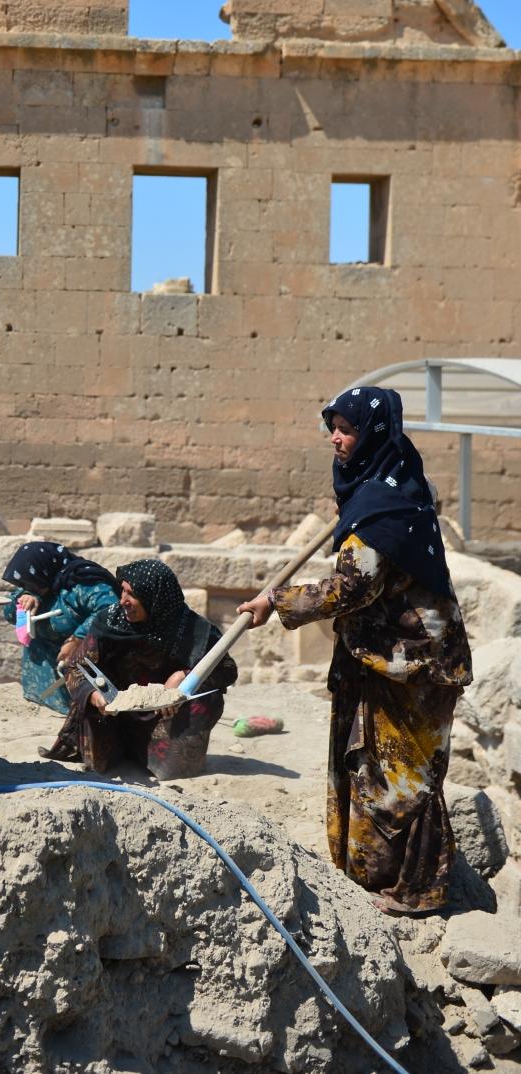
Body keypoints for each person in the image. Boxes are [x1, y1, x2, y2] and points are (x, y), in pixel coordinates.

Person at [237, 386, 472, 917]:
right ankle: (374, 873)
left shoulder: (385, 504)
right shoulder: (390, 478)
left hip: (416, 664)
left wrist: (276, 601)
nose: (337, 440)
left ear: (376, 433)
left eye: (348, 429)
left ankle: (421, 889)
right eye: (334, 428)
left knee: (406, 779)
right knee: (375, 766)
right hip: (384, 656)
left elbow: (353, 587)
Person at [41, 559, 237, 780]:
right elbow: (76, 667)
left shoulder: (192, 630)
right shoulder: (111, 621)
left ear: (155, 599)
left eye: (132, 594)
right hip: (115, 718)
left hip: (165, 721)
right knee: (87, 701)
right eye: (122, 591)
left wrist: (184, 678)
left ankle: (168, 764)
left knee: (208, 699)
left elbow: (227, 670)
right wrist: (96, 696)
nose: (123, 601)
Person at [1, 542, 120, 712]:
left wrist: (78, 638)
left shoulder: (84, 584)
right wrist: (25, 597)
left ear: (46, 571)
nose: (29, 588)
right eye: (26, 585)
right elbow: (10, 614)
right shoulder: (39, 583)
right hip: (44, 674)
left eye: (32, 585)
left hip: (82, 661)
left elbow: (111, 609)